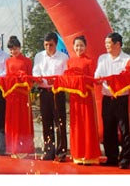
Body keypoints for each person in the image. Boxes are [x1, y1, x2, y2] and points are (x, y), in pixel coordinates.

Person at [55, 35, 101, 165]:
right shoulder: (70, 61)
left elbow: (92, 80)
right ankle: (78, 154)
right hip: (75, 98)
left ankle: (89, 155)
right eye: (76, 45)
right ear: (73, 47)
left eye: (81, 45)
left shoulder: (90, 61)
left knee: (87, 124)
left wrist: (81, 79)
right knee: (76, 125)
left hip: (86, 97)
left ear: (85, 47)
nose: (79, 48)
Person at [94, 32, 130, 169]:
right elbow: (98, 75)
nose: (106, 46)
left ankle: (126, 158)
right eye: (106, 44)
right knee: (108, 129)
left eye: (109, 43)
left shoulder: (127, 60)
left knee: (125, 129)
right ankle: (112, 157)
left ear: (117, 44)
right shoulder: (102, 58)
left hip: (121, 99)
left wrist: (113, 82)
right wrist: (105, 81)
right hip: (107, 98)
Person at [32, 32, 69, 162]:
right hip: (44, 91)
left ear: (56, 44)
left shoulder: (63, 57)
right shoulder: (39, 56)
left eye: (51, 45)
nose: (48, 47)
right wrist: (39, 79)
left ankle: (61, 152)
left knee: (59, 122)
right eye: (46, 45)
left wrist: (57, 81)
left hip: (57, 92)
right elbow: (35, 72)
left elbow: (65, 75)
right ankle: (48, 151)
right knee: (46, 122)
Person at [1, 35, 34, 158]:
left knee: (23, 121)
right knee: (12, 122)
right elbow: (7, 77)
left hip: (23, 95)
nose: (13, 51)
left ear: (20, 48)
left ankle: (24, 148)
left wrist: (23, 79)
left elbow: (31, 79)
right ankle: (13, 148)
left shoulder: (27, 61)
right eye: (11, 49)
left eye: (15, 49)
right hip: (12, 96)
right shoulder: (8, 61)